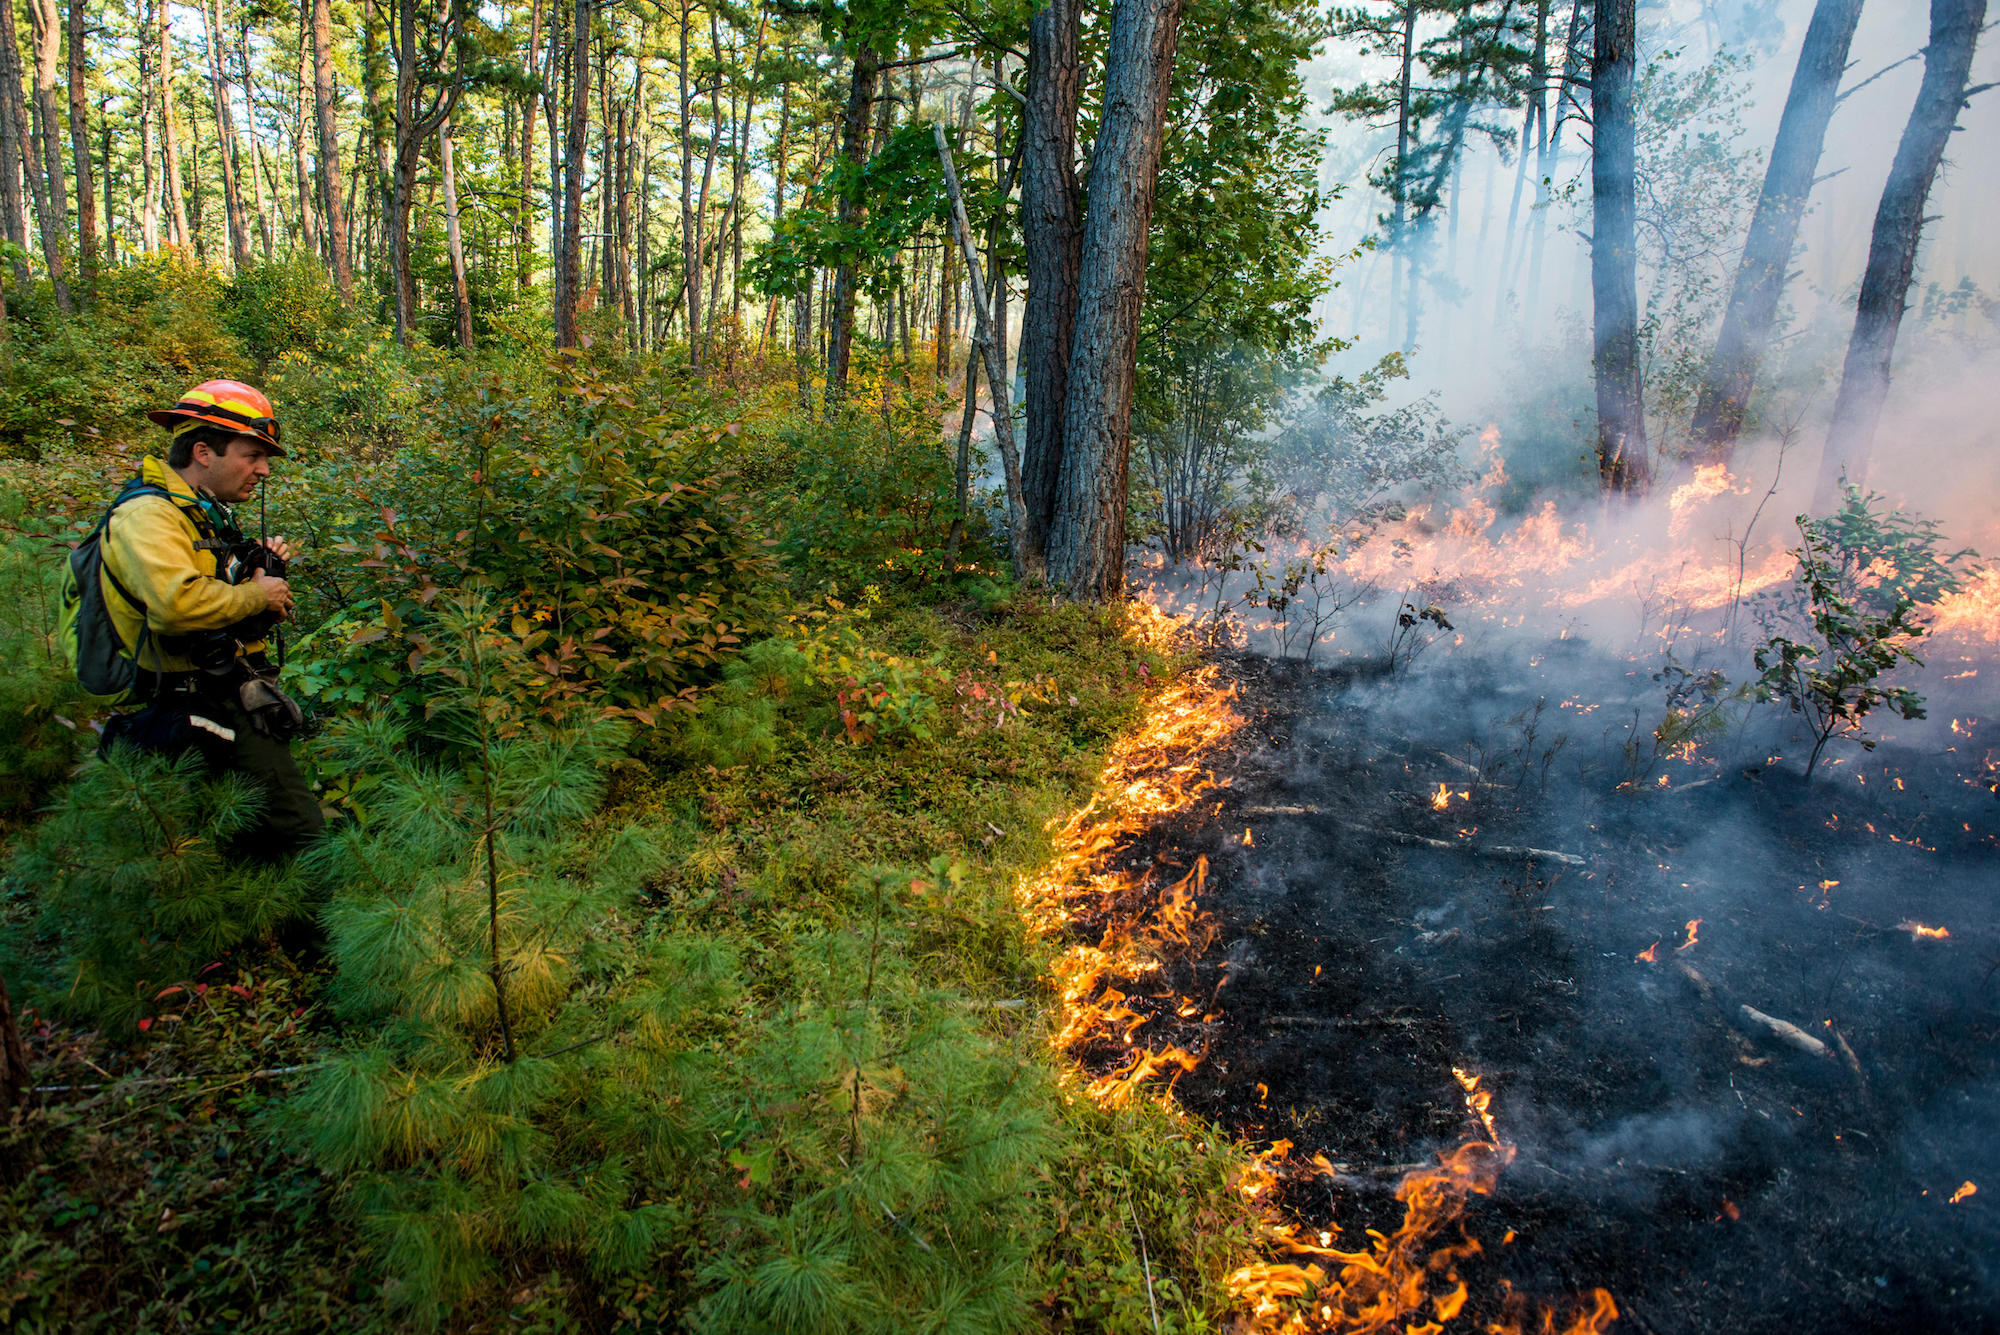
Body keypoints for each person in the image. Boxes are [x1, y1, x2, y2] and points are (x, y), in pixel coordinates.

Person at [96, 379, 324, 853]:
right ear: (203, 451)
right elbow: (176, 606)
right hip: (189, 703)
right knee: (299, 836)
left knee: (234, 839)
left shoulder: (201, 513)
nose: (263, 470)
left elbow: (214, 595)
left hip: (220, 696)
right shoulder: (149, 516)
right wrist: (256, 596)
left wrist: (258, 572)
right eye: (252, 455)